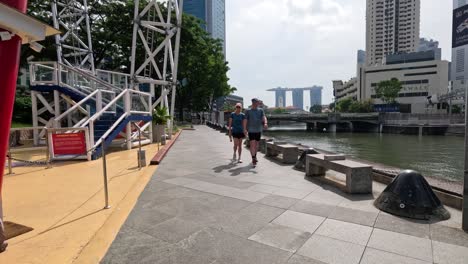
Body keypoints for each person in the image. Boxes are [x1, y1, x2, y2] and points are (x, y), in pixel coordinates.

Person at [243, 98, 268, 167]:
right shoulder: (248, 111)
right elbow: (245, 120)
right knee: (252, 144)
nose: (258, 104)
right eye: (257, 102)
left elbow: (264, 117)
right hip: (251, 130)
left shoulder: (260, 110)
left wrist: (265, 123)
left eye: (258, 102)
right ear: (253, 103)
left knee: (257, 145)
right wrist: (244, 129)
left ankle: (255, 156)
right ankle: (253, 158)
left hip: (258, 130)